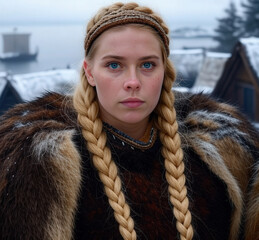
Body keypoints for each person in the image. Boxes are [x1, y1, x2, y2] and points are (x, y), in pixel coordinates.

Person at [0, 2, 259, 240]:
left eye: (147, 65)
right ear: (89, 72)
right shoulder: (32, 163)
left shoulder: (225, 153)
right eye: (114, 65)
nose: (133, 82)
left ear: (164, 70)